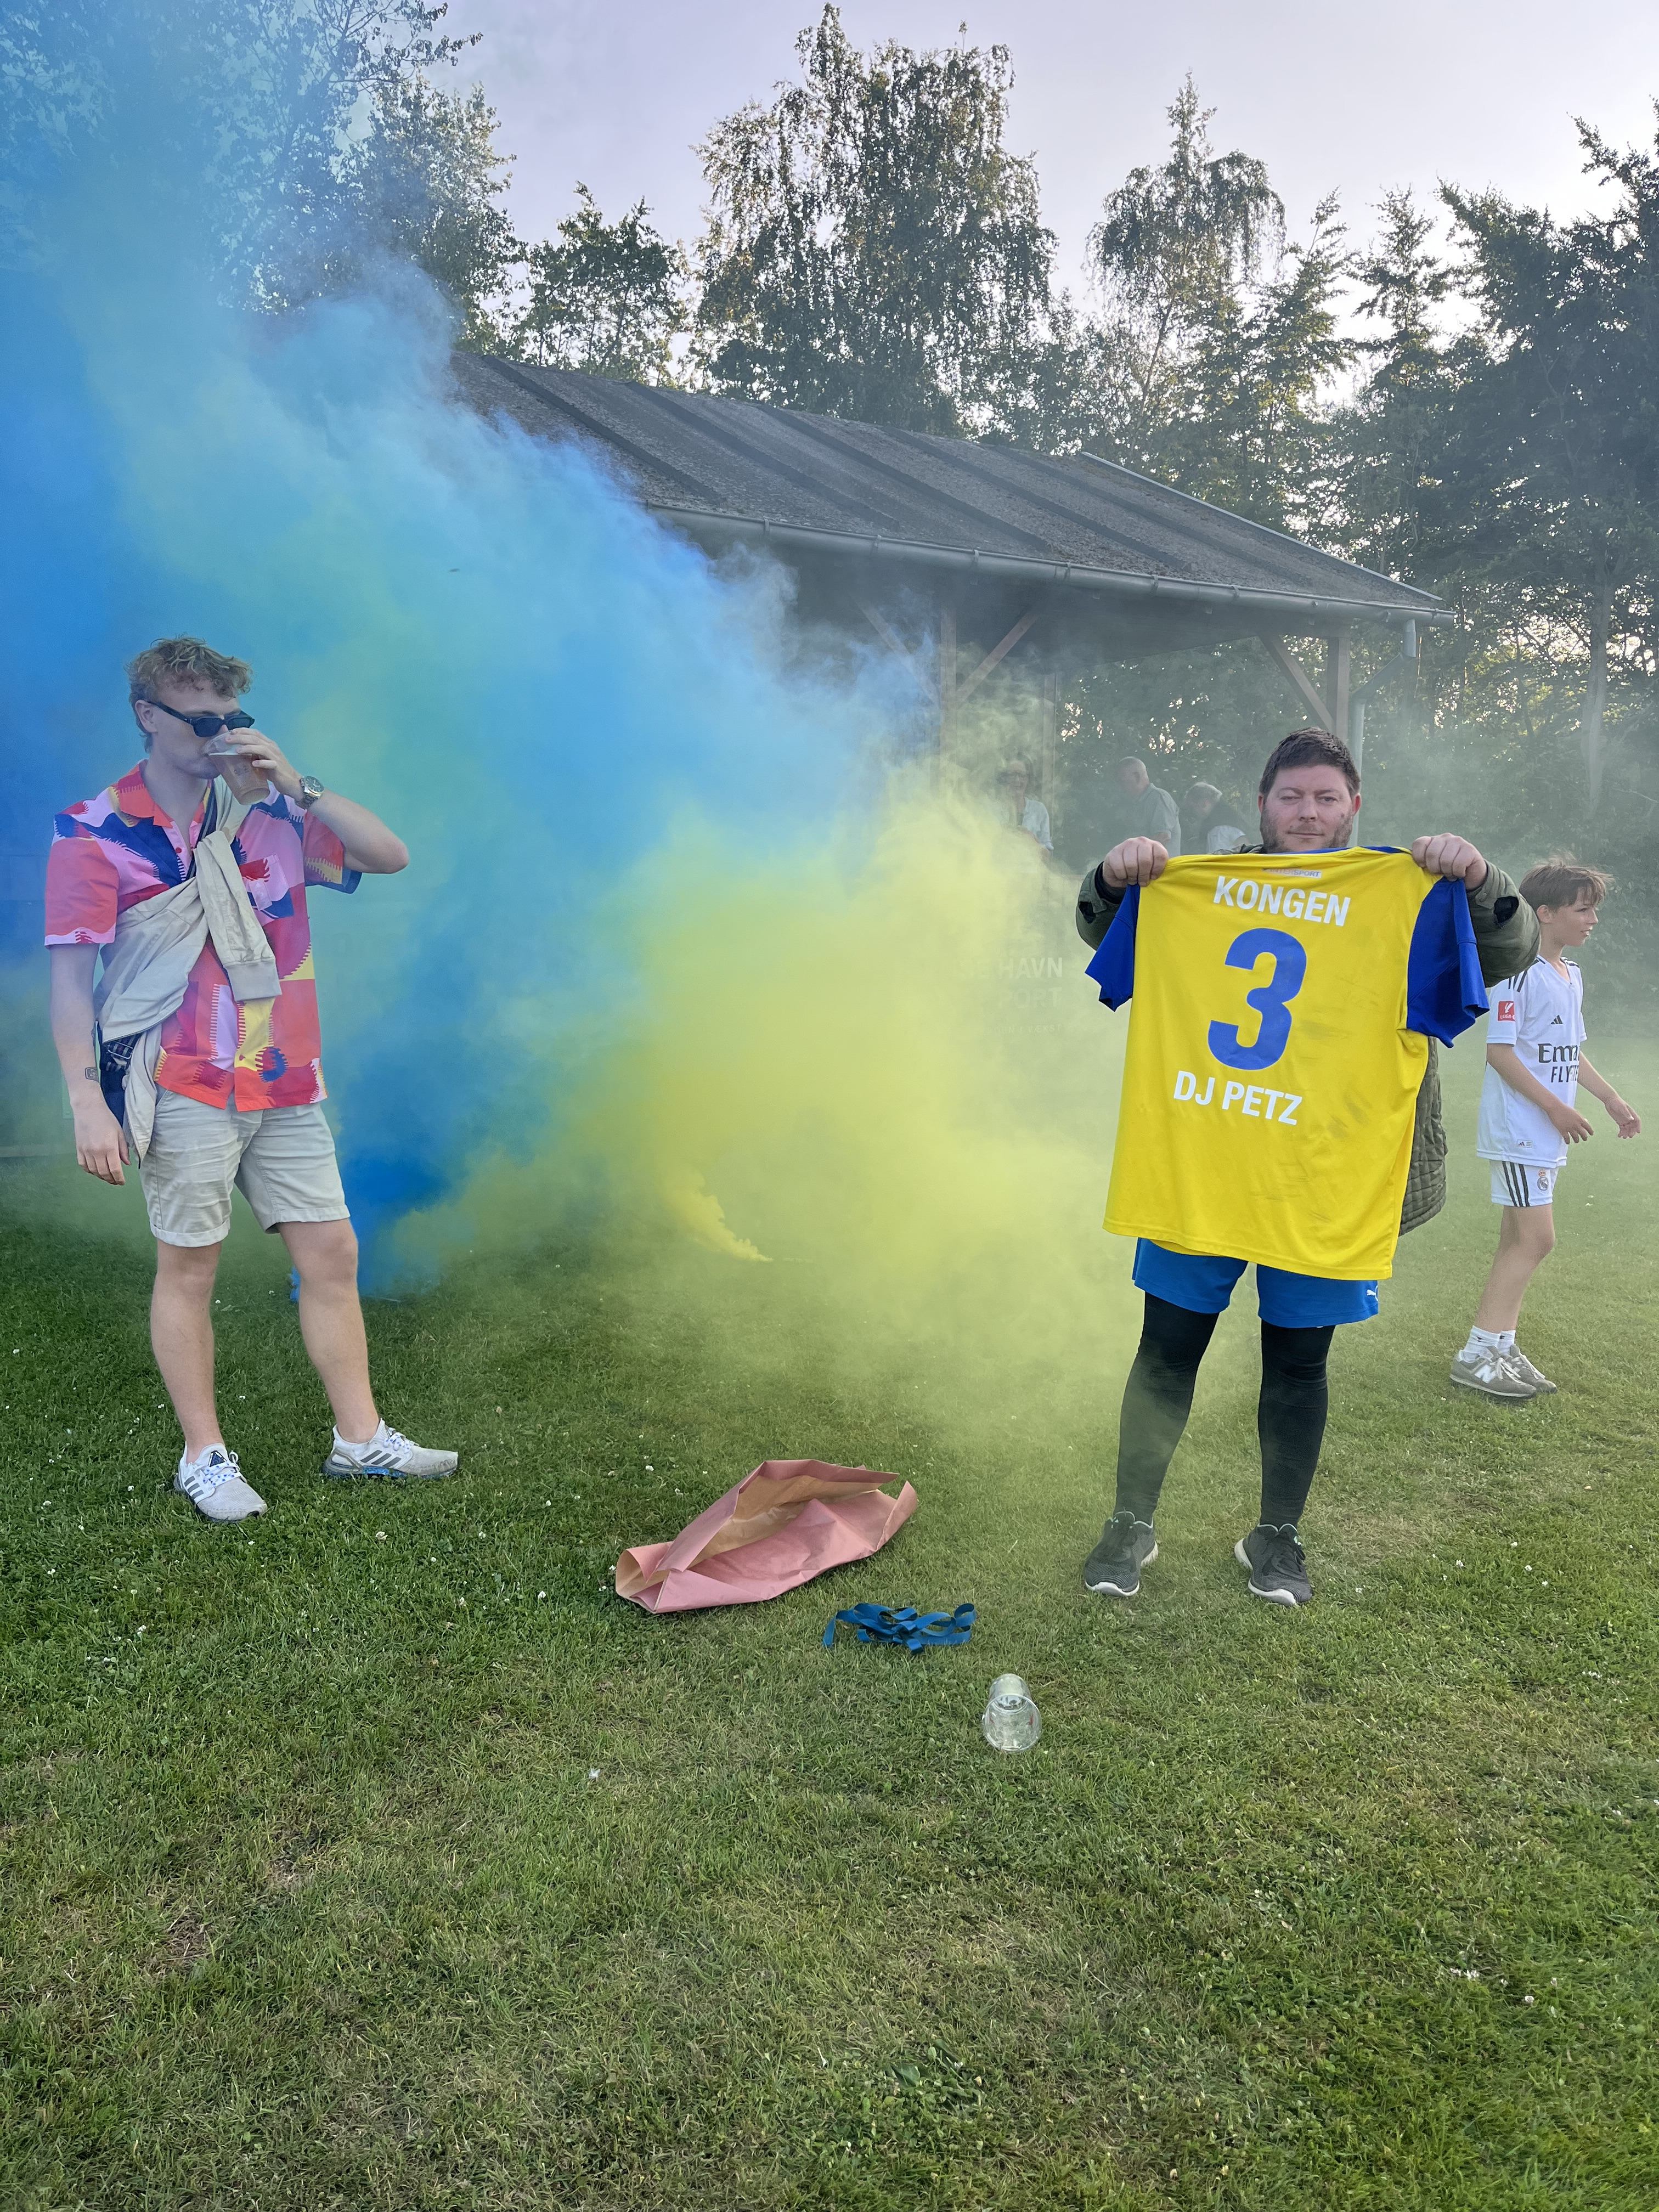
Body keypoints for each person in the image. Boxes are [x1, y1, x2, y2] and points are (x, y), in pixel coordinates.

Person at [1074, 727, 1537, 1607]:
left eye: (1327, 798)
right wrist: (1111, 875)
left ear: (1354, 807)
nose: (1309, 813)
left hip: (1328, 1173)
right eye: (1292, 797)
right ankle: (1132, 1521)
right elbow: (1106, 930)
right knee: (1166, 1353)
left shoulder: (1408, 891)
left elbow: (1506, 953)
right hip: (1205, 1159)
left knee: (1299, 1363)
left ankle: (1276, 1537)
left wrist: (1480, 880)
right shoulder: (1198, 887)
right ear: (1262, 805)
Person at [46, 635, 459, 1525]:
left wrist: (295, 783)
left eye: (231, 718)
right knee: (190, 1268)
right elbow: (72, 984)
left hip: (285, 1077)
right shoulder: (94, 832)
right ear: (147, 717)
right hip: (182, 1078)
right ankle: (205, 1455)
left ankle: (360, 1438)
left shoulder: (271, 812)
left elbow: (389, 856)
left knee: (331, 1255)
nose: (218, 735)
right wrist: (87, 1099)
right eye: (199, 720)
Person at [1452, 859, 1641, 1400]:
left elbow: (1570, 1053)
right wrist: (1555, 1109)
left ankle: (1500, 1345)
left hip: (1545, 1133)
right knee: (1537, 1239)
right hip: (1519, 1128)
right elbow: (1499, 1052)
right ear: (1546, 913)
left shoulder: (1569, 975)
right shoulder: (1518, 971)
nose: (1593, 920)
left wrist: (1610, 1099)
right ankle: (1477, 1354)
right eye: (1583, 910)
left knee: (1519, 1237)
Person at [1114, 755, 1181, 854]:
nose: (1120, 786)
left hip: (1165, 868)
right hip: (1146, 868)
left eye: (1122, 780)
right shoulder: (1135, 804)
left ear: (1137, 777)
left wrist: (1133, 856)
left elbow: (1162, 837)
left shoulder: (1158, 798)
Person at [996, 758, 1053, 852]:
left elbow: (1047, 859)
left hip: (1029, 867)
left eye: (1022, 775)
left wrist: (1031, 839)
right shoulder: (992, 808)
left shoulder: (1039, 810)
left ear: (1028, 779)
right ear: (1004, 778)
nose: (1017, 780)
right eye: (1012, 775)